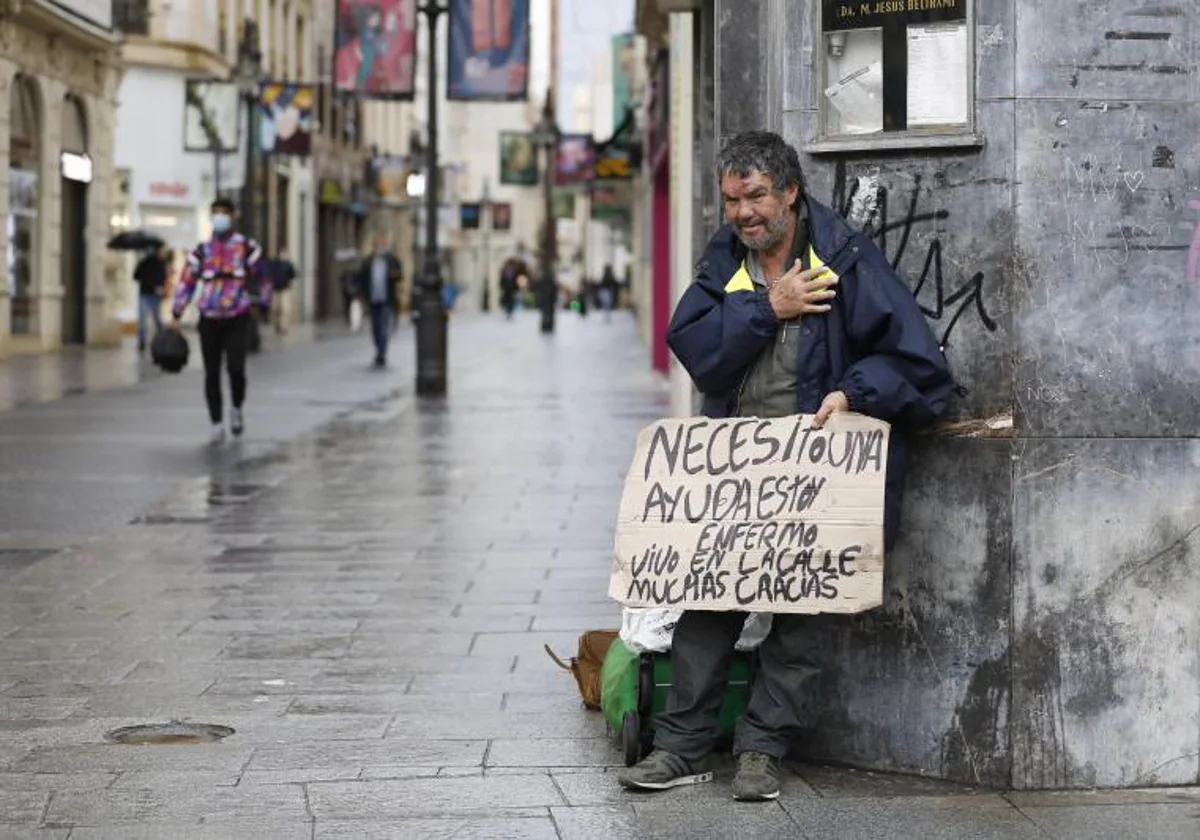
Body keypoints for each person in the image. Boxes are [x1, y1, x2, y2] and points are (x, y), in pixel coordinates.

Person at [616, 131, 953, 801]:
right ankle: (680, 747)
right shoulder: (725, 261)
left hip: (816, 478)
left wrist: (854, 391)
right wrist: (767, 308)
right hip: (734, 473)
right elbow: (699, 351)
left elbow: (919, 364)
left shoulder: (845, 260)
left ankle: (762, 753)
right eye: (733, 200)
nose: (743, 213)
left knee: (800, 617)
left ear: (791, 192)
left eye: (757, 196)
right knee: (708, 606)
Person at [171, 198, 269, 443]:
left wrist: (264, 302)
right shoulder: (202, 250)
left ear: (232, 216)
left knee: (236, 368)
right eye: (215, 213)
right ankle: (216, 421)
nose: (220, 218)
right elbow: (187, 280)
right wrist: (177, 312)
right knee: (211, 372)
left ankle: (236, 408)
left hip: (237, 315)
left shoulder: (246, 247)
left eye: (224, 213)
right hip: (209, 317)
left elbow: (264, 276)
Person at [356, 234, 403, 367]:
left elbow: (400, 275)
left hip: (387, 299)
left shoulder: (392, 260)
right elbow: (362, 279)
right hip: (372, 299)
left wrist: (393, 274)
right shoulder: (368, 262)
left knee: (383, 326)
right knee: (375, 328)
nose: (380, 247)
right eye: (378, 244)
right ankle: (379, 348)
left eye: (383, 244)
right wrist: (361, 295)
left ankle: (381, 353)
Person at [133, 245, 168, 351]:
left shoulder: (159, 263)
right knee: (143, 319)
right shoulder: (143, 263)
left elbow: (163, 277)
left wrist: (159, 286)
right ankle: (142, 340)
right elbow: (136, 276)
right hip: (144, 293)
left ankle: (162, 338)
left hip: (153, 294)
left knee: (156, 318)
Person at [268, 246, 297, 335]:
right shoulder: (274, 264)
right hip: (275, 289)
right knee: (276, 309)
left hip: (285, 289)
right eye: (283, 253)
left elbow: (293, 275)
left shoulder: (288, 264)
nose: (284, 255)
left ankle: (284, 326)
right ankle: (277, 325)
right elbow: (269, 274)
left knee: (285, 309)